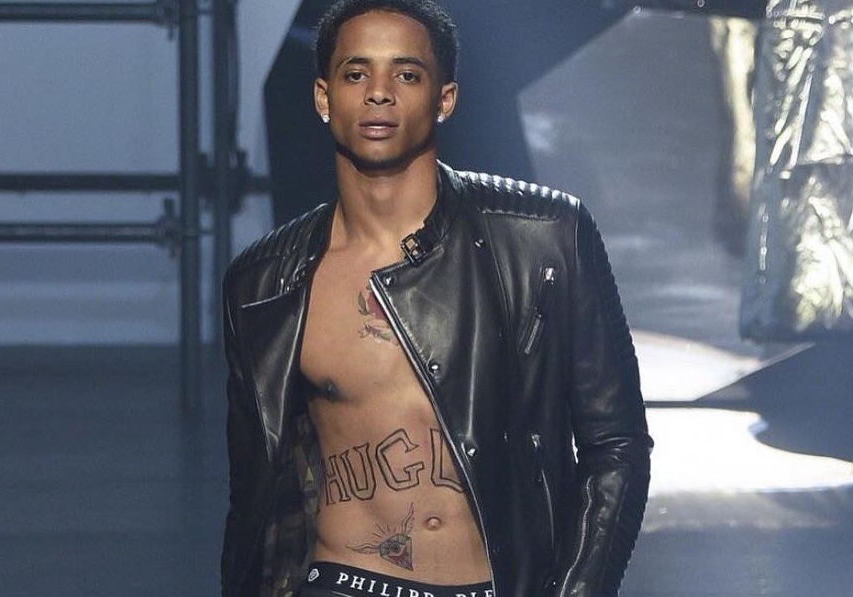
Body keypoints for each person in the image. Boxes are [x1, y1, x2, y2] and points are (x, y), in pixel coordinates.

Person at [221, 1, 652, 595]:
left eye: (406, 74)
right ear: (324, 97)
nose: (378, 93)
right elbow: (253, 502)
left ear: (444, 98)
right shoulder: (262, 284)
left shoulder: (544, 236)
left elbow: (616, 447)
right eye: (355, 73)